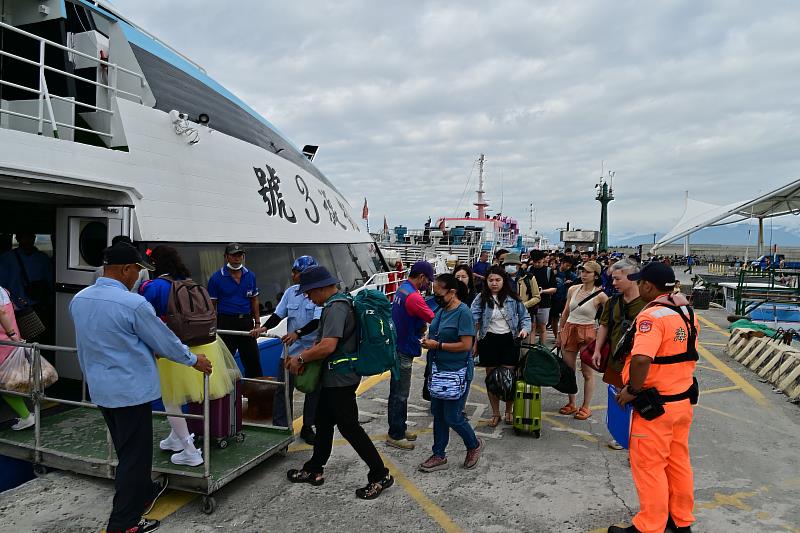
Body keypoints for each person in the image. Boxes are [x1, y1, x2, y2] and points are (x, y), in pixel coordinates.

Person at [69, 242, 212, 533]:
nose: (138, 276)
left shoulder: (80, 299)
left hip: (102, 390)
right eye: (136, 270)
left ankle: (144, 493)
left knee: (126, 451)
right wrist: (194, 359)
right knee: (135, 459)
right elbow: (164, 341)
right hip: (130, 392)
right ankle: (123, 523)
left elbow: (105, 338)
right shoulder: (133, 304)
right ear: (124, 270)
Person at [285, 266, 394, 500]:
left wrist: (301, 357)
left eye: (310, 292)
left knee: (349, 427)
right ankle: (315, 468)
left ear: (322, 288)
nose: (308, 297)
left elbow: (328, 346)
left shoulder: (336, 307)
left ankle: (380, 474)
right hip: (336, 376)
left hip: (340, 378)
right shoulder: (343, 301)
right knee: (324, 422)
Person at [609, 262, 698, 533]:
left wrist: (631, 390)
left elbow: (641, 359)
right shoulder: (685, 312)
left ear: (648, 285)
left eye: (641, 283)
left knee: (649, 468)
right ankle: (681, 520)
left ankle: (649, 526)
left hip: (655, 408)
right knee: (678, 462)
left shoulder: (653, 317)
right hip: (681, 402)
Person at [139, 245, 238, 466]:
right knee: (184, 394)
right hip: (204, 345)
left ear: (155, 264)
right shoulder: (191, 283)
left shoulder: (153, 287)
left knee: (171, 399)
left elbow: (144, 320)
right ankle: (175, 438)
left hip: (172, 348)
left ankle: (189, 450)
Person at [250, 255, 322, 445]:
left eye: (296, 272)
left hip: (311, 352)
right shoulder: (291, 292)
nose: (292, 275)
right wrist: (264, 328)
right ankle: (281, 426)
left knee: (312, 391)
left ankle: (308, 427)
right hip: (289, 352)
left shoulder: (318, 294)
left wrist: (298, 333)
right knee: (282, 390)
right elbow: (278, 315)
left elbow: (317, 321)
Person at [418, 273, 483, 472]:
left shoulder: (463, 313)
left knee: (453, 416)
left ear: (452, 292)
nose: (435, 297)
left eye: (439, 294)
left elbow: (466, 345)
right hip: (438, 370)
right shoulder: (441, 309)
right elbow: (434, 331)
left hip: (457, 371)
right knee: (438, 414)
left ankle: (473, 445)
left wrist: (438, 345)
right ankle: (439, 454)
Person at [592, 259, 646, 450]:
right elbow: (604, 325)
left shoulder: (648, 303)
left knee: (640, 399)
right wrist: (598, 350)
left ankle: (639, 439)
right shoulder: (613, 301)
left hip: (641, 361)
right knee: (619, 398)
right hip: (617, 360)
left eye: (616, 279)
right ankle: (621, 435)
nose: (613, 283)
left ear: (632, 277)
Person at [471, 265, 531, 427]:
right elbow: (473, 320)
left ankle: (508, 411)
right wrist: (473, 342)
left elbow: (525, 317)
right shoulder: (480, 298)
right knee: (492, 379)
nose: (494, 283)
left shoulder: (514, 298)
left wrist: (524, 330)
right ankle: (495, 412)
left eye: (498, 280)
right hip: (488, 341)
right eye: (491, 280)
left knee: (508, 379)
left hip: (509, 341)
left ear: (504, 281)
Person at [387, 261, 435, 450]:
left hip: (398, 346)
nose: (428, 285)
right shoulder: (414, 297)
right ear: (422, 277)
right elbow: (434, 317)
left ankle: (399, 427)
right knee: (400, 394)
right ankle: (395, 435)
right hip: (404, 350)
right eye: (428, 281)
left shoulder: (402, 290)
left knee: (397, 392)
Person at [556, 261, 608, 420]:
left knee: (587, 372)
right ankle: (571, 403)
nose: (583, 274)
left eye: (588, 272)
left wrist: (602, 332)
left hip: (588, 331)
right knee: (568, 370)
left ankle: (586, 406)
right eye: (582, 271)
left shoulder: (600, 294)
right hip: (570, 328)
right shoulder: (573, 289)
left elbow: (609, 315)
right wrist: (560, 331)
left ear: (596, 275)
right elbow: (565, 312)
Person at [208, 243, 263, 378]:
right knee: (224, 363)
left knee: (253, 362)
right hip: (226, 322)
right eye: (234, 255)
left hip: (246, 321)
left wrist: (257, 323)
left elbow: (254, 300)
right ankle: (223, 397)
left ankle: (255, 395)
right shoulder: (216, 278)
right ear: (226, 257)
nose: (237, 258)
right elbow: (211, 305)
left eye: (240, 255)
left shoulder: (250, 275)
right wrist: (212, 327)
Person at [0, 284, 34, 430]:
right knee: (8, 382)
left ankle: (26, 416)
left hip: (3, 342)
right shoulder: (3, 290)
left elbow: (1, 313)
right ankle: (27, 415)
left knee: (5, 385)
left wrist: (11, 334)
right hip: (10, 343)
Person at [529, 250, 557, 345]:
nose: (537, 264)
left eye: (539, 262)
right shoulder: (529, 270)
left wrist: (542, 291)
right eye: (535, 262)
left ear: (543, 260)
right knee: (532, 327)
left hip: (544, 303)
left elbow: (554, 289)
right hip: (531, 303)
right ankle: (531, 348)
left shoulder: (548, 271)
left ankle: (542, 346)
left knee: (542, 327)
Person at [551, 256, 577, 342]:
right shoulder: (553, 271)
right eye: (567, 265)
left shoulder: (571, 275)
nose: (568, 267)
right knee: (554, 319)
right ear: (562, 263)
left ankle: (564, 335)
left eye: (570, 266)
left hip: (565, 299)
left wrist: (571, 284)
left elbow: (576, 285)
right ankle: (556, 336)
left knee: (565, 318)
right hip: (554, 298)